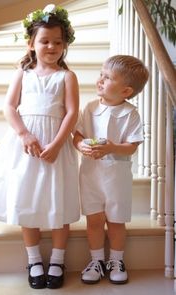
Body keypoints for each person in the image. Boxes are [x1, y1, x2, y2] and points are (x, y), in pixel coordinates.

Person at [0, 4, 80, 290]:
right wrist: (24, 134)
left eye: (58, 42)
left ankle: (57, 259)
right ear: (31, 43)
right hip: (27, 146)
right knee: (26, 198)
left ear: (65, 44)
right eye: (45, 41)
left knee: (59, 200)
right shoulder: (23, 73)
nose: (51, 46)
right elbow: (9, 106)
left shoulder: (67, 77)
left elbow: (71, 113)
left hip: (55, 147)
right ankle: (33, 259)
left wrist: (57, 144)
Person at [73, 55, 149, 285]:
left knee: (115, 221)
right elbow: (77, 135)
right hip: (91, 175)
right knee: (94, 220)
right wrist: (80, 145)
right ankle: (96, 260)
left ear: (126, 91)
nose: (100, 80)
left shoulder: (130, 114)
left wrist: (111, 148)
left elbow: (132, 147)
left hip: (117, 177)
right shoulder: (90, 107)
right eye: (101, 74)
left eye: (107, 78)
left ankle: (116, 260)